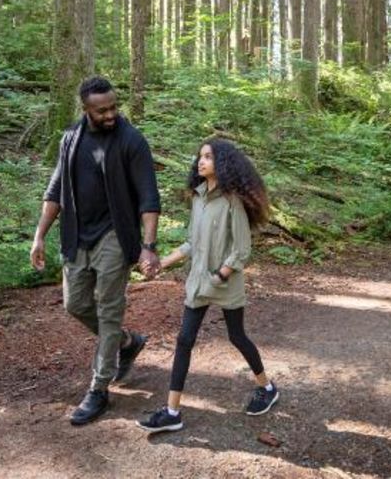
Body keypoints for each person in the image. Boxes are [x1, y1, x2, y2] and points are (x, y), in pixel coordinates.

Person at [30, 76, 162, 426]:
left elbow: (149, 197)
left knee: (108, 309)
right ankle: (127, 342)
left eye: (114, 107)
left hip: (115, 236)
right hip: (76, 236)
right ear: (85, 109)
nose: (110, 114)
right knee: (75, 304)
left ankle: (99, 389)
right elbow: (56, 189)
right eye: (102, 110)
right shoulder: (71, 138)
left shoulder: (131, 140)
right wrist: (39, 236)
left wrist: (149, 247)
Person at [137, 138, 278, 433]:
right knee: (184, 340)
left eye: (208, 157)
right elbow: (191, 243)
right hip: (198, 282)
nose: (201, 162)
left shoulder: (232, 201)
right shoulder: (199, 197)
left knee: (237, 337)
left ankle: (266, 387)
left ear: (223, 164)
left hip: (224, 283)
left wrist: (222, 274)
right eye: (200, 156)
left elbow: (241, 248)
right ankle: (173, 411)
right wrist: (162, 263)